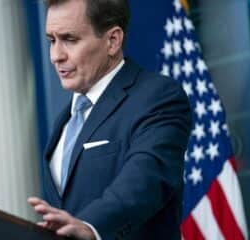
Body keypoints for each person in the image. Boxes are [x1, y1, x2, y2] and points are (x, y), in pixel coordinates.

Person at [28, 0, 192, 239]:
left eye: (70, 40)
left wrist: (90, 226)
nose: (56, 56)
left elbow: (146, 177)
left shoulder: (157, 97)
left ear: (112, 40)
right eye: (52, 40)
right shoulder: (64, 121)